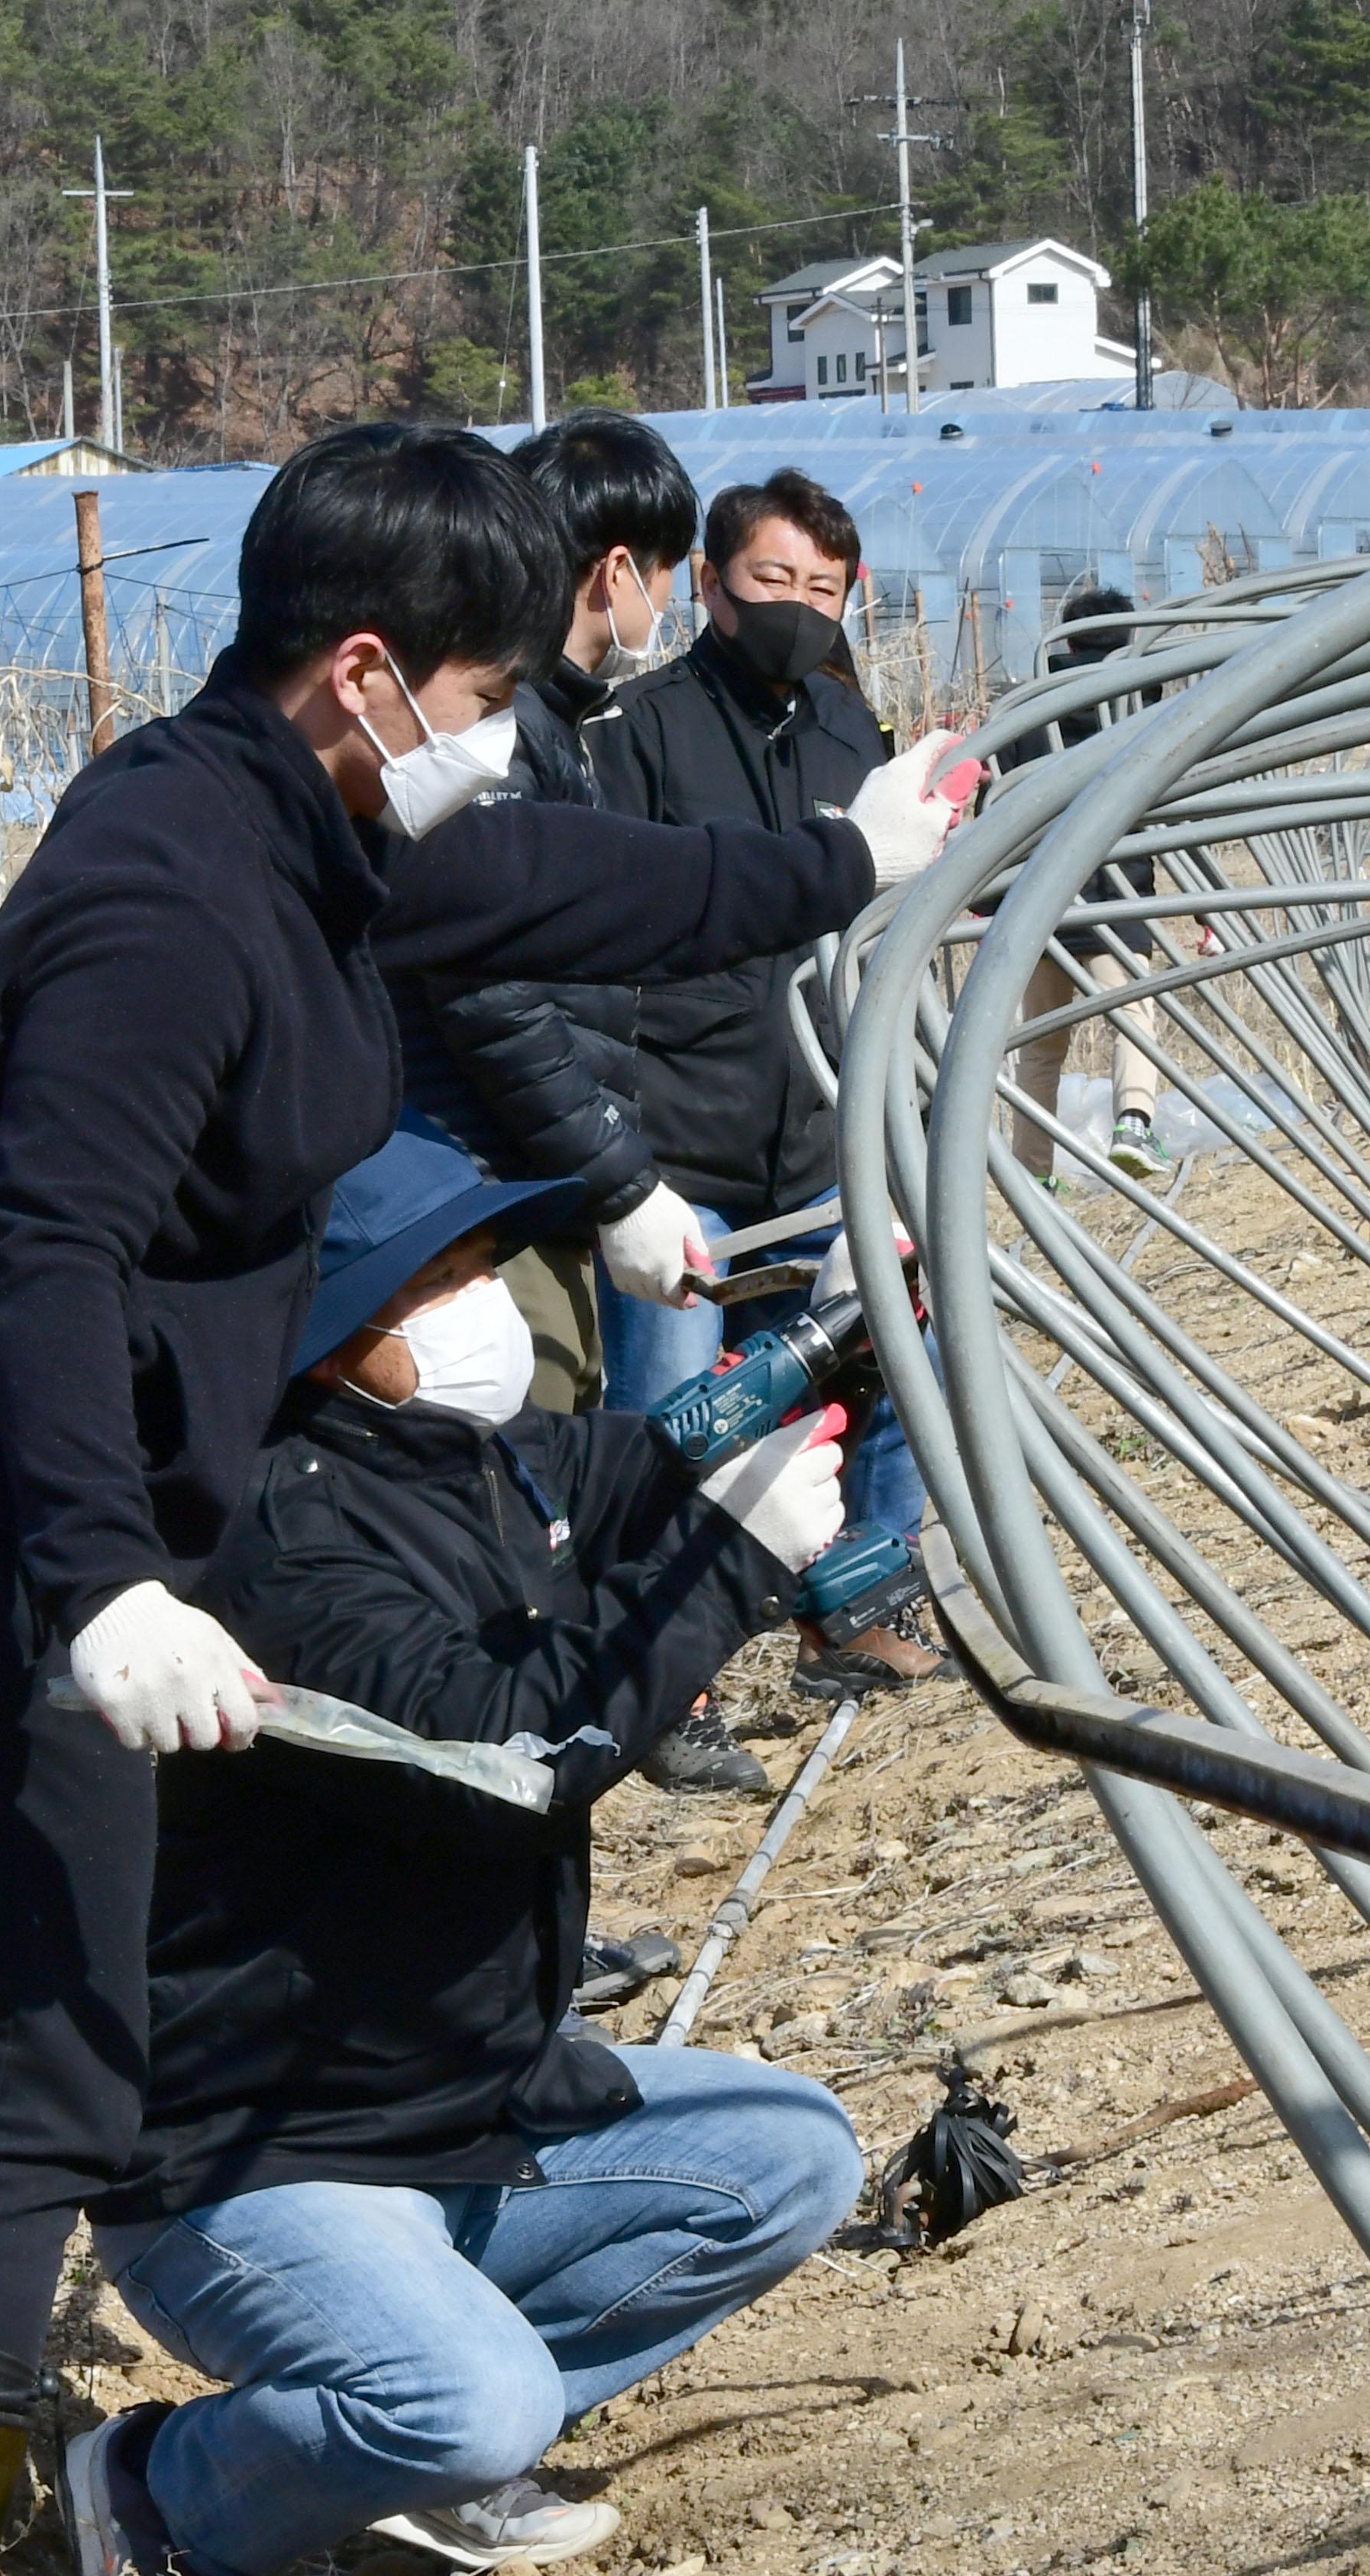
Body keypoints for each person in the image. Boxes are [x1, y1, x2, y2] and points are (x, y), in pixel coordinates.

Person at [0, 424, 967, 2576]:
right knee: (31, 2085)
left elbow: (575, 880)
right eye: (476, 692)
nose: (499, 743)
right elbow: (47, 1249)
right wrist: (105, 1579)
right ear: (359, 672)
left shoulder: (326, 847)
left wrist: (831, 859)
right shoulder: (170, 894)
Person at [60, 1127, 867, 2576]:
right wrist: (733, 1562)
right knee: (475, 2401)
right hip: (263, 2151)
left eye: (478, 1262)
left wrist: (842, 1328)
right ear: (325, 1338)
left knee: (790, 2157)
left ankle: (393, 2437)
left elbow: (653, 1455)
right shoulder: (278, 1547)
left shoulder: (478, 1459)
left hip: (467, 2104)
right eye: (430, 1277)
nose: (479, 1296)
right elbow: (514, 1759)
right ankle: (177, 2500)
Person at [593, 466, 945, 1708]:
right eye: (771, 580)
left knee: (894, 1350)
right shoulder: (633, 737)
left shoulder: (855, 737)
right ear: (709, 586)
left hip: (821, 1136)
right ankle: (652, 1675)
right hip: (680, 1142)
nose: (799, 605)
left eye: (823, 587)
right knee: (671, 1413)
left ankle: (861, 1606)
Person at [392, 412, 717, 1422]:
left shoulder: (552, 726)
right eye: (665, 575)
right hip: (487, 1190)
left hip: (527, 1181)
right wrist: (619, 1180)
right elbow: (495, 994)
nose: (664, 604)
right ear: (617, 570)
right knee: (524, 1465)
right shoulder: (502, 732)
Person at [1003, 584, 1179, 1190]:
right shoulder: (1143, 707)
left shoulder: (1028, 709)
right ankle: (1132, 1123)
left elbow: (999, 805)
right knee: (1133, 1019)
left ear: (1068, 639)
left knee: (1040, 1046)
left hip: (1041, 904)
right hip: (1117, 895)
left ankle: (1031, 1171)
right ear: (1129, 642)